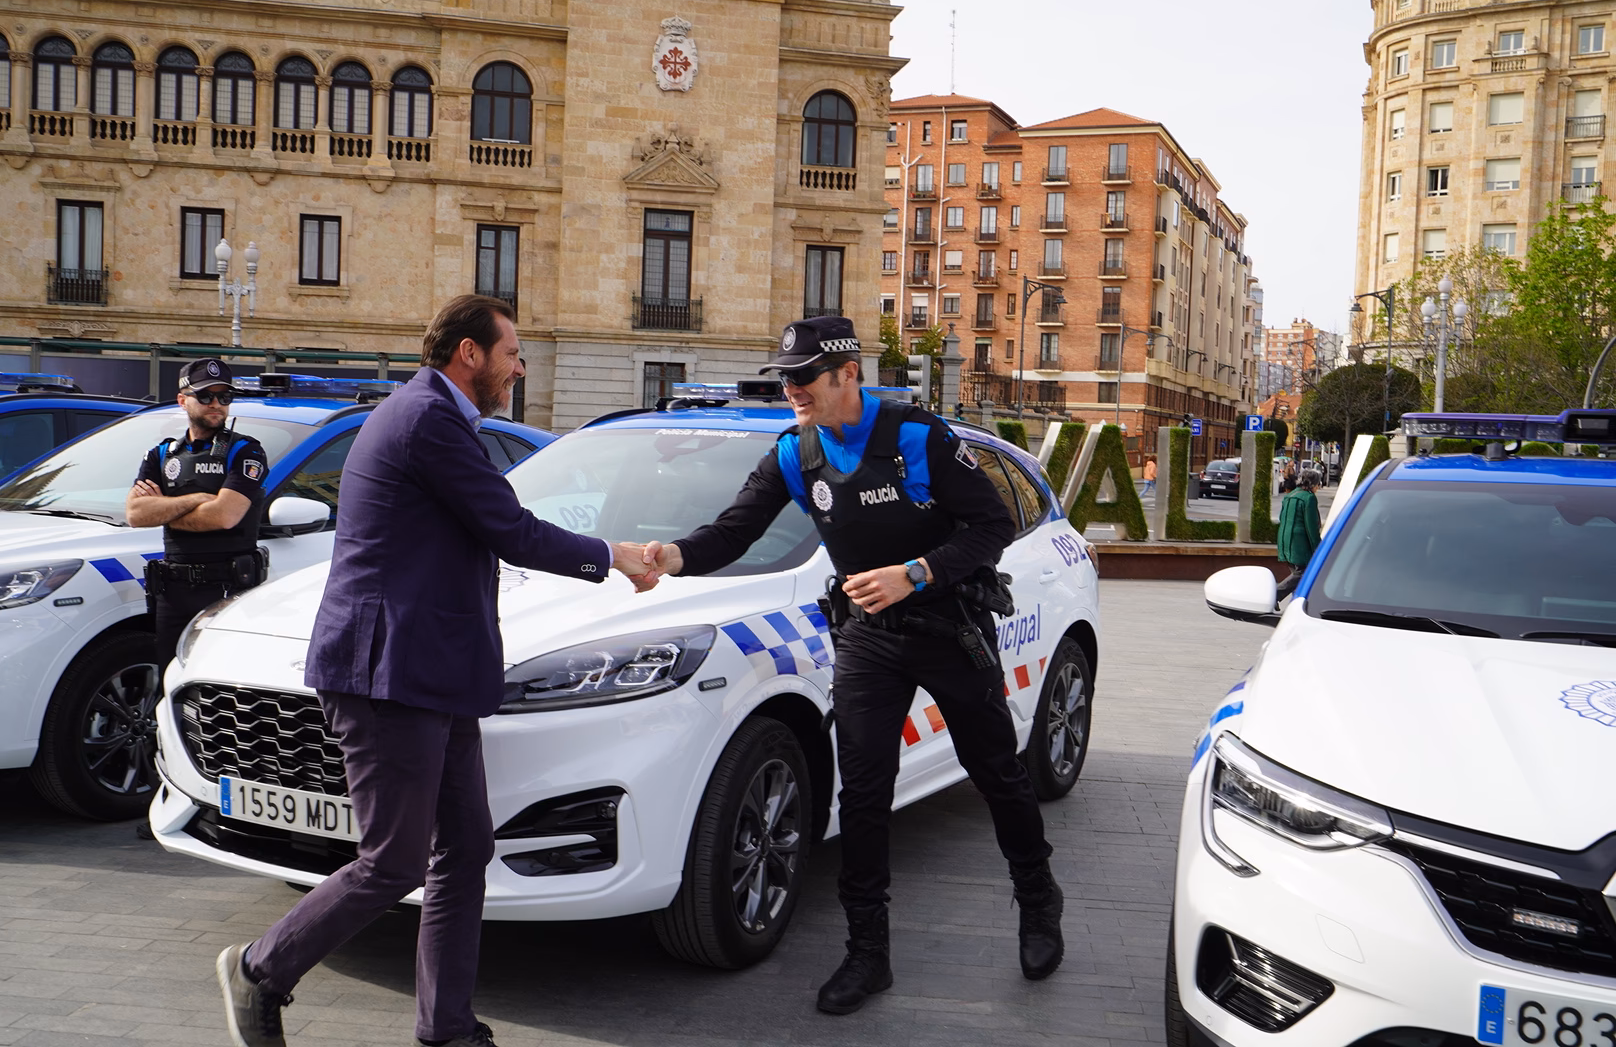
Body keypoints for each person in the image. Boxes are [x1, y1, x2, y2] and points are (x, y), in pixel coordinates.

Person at [215, 295, 659, 1047]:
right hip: (389, 674)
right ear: (468, 355)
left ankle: (447, 1029)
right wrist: (613, 557)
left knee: (465, 848)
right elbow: (509, 528)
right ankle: (260, 969)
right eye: (512, 352)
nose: (520, 367)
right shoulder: (427, 420)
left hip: (432, 672)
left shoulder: (436, 415)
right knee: (393, 862)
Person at [640, 316, 1063, 1015]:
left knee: (997, 773)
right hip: (869, 639)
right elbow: (733, 532)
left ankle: (1039, 902)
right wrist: (673, 558)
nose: (794, 391)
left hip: (950, 629)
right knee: (863, 797)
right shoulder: (794, 452)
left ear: (847, 373)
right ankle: (868, 954)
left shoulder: (917, 438)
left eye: (805, 378)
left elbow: (991, 526)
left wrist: (918, 573)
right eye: (787, 379)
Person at [127, 357, 270, 674]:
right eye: (206, 396)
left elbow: (224, 516)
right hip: (173, 593)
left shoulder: (246, 451)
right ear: (182, 401)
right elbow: (136, 513)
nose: (216, 404)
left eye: (224, 397)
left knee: (224, 685)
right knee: (170, 681)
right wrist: (197, 499)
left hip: (227, 591)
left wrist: (164, 508)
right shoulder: (161, 454)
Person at [1276, 468, 1323, 601]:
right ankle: (1276, 595)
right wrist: (1318, 550)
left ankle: (1296, 604)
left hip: (1285, 541)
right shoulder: (1309, 498)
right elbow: (1311, 528)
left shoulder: (1290, 496)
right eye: (1318, 484)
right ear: (1312, 484)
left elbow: (1281, 518)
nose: (1318, 487)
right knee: (1303, 574)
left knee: (1297, 576)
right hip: (1298, 544)